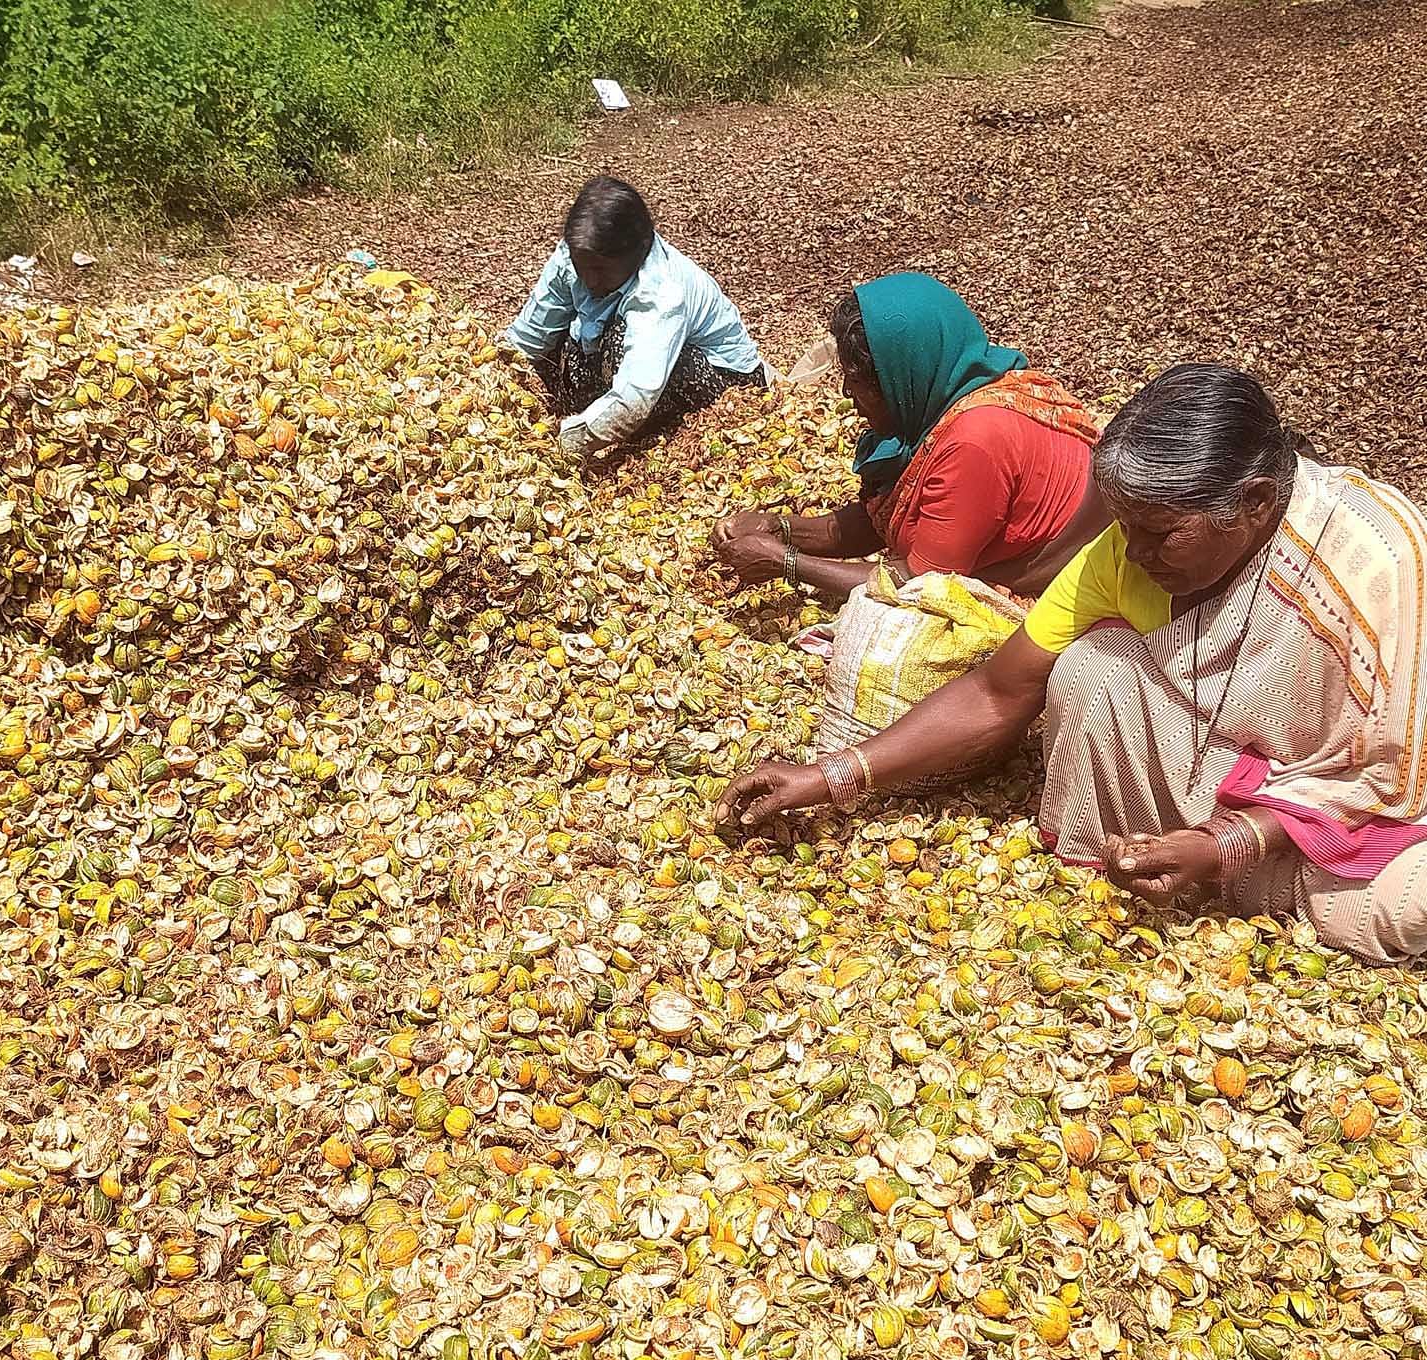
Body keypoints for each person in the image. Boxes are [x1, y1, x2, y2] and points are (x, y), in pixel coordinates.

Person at [716, 363, 1427, 965]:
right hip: (1222, 773)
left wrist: (1228, 843)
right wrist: (830, 775)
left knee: (1410, 901)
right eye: (1124, 527)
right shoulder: (1126, 553)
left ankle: (1226, 872)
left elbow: (1393, 773)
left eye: (1160, 534)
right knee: (1093, 665)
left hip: (1353, 812)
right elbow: (998, 691)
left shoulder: (1374, 558)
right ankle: (1192, 868)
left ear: (1255, 504)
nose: (1134, 552)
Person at [710, 273, 1104, 601]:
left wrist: (786, 562)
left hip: (1053, 592)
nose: (848, 395)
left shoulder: (974, 441)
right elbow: (878, 523)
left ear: (902, 378)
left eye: (860, 383)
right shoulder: (944, 400)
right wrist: (782, 528)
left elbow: (921, 585)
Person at [504, 176, 767, 462]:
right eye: (583, 266)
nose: (590, 279)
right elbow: (528, 338)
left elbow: (634, 398)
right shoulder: (573, 255)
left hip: (721, 381)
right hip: (638, 370)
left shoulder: (661, 292)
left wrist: (560, 446)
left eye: (602, 269)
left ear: (637, 253)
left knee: (618, 341)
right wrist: (493, 378)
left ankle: (646, 436)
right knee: (552, 347)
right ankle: (593, 416)